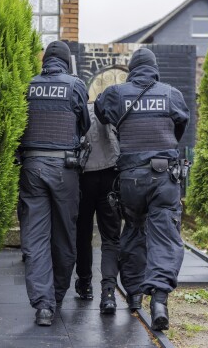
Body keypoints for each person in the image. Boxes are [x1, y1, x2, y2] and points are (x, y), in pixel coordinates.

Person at [94, 47, 189, 331]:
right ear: (155, 68)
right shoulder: (171, 94)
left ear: (132, 68)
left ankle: (134, 292)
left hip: (130, 179)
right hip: (164, 176)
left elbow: (100, 111)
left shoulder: (116, 93)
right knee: (164, 236)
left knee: (134, 230)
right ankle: (159, 300)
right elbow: (180, 126)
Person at [18, 40, 90, 327]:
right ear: (67, 61)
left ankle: (43, 305)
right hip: (65, 169)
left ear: (45, 60)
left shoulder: (29, 86)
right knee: (64, 235)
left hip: (32, 168)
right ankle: (56, 296)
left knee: (34, 238)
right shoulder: (75, 86)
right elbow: (84, 124)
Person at [74, 102, 122, 314]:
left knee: (83, 234)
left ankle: (85, 285)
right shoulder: (110, 111)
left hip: (84, 177)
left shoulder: (80, 110)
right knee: (111, 238)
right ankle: (109, 293)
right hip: (110, 176)